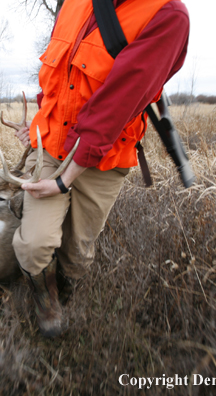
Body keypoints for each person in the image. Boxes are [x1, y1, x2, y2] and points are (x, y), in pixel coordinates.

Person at [12, 0, 190, 338]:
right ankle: (46, 298)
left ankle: (65, 290)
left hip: (104, 158)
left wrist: (65, 181)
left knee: (77, 251)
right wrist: (38, 124)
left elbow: (116, 104)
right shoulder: (72, 4)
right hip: (52, 147)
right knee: (35, 244)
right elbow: (57, 79)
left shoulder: (168, 15)